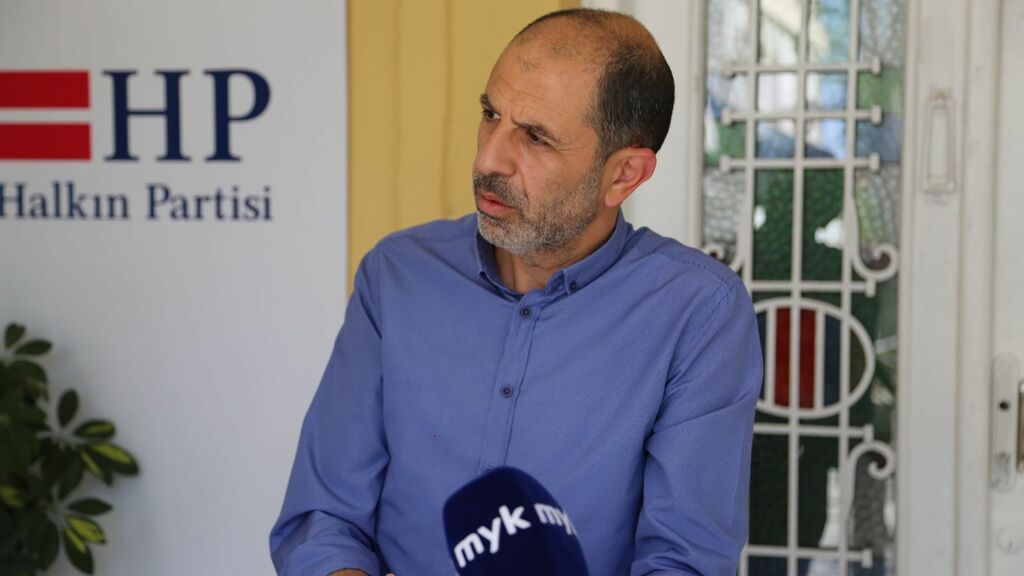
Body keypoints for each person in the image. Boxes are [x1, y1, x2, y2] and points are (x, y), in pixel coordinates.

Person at [270, 8, 762, 576]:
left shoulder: (698, 313)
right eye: (490, 115)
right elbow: (322, 519)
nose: (488, 159)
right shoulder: (397, 275)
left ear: (624, 175)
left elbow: (684, 560)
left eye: (535, 137)